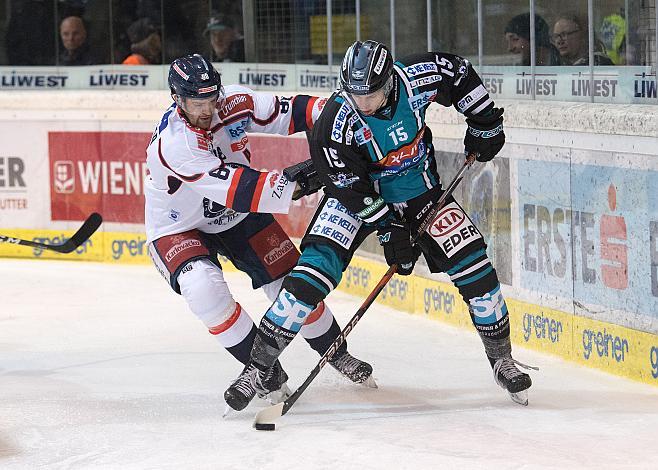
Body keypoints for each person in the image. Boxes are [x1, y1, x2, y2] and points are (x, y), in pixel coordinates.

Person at [225, 40, 536, 412]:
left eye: (370, 94)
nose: (363, 103)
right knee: (305, 281)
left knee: (476, 269)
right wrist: (390, 230)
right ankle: (256, 369)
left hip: (417, 190)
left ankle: (502, 359)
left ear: (389, 82)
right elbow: (347, 187)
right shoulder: (334, 122)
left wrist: (485, 123)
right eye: (355, 94)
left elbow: (460, 73)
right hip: (355, 199)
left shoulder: (418, 76)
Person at [145, 54, 374, 408]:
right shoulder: (175, 145)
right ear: (178, 100)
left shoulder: (233, 102)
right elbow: (238, 187)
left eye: (211, 98)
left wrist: (347, 114)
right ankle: (266, 374)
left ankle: (335, 353)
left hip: (235, 215)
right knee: (203, 290)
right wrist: (298, 181)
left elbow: (294, 111)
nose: (207, 109)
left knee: (293, 287)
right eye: (196, 102)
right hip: (180, 226)